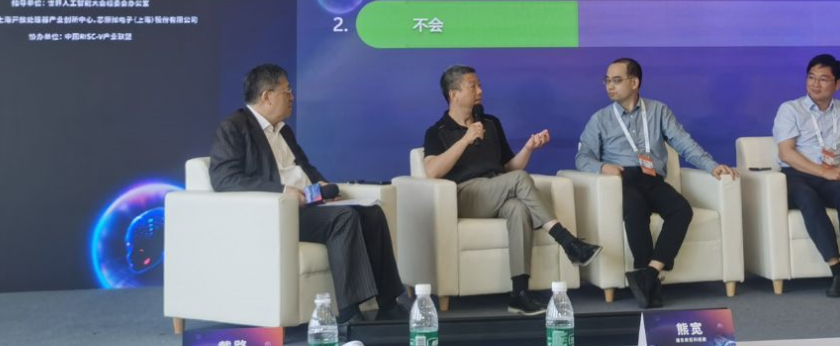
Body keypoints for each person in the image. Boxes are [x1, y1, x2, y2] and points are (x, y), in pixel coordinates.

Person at [210, 64, 405, 326]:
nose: (292, 97)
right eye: (287, 91)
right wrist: (283, 191)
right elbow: (224, 179)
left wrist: (321, 184)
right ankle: (349, 314)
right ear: (267, 96)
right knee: (344, 218)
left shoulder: (283, 130)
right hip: (278, 214)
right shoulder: (234, 127)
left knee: (372, 213)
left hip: (309, 204)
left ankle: (388, 303)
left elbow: (304, 167)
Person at [423, 65, 602, 315]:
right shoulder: (437, 131)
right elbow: (432, 171)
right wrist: (465, 139)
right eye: (473, 86)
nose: (480, 91)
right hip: (466, 196)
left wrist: (528, 148)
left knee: (518, 208)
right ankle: (567, 241)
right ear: (454, 94)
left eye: (480, 85)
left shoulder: (490, 123)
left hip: (498, 188)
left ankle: (519, 294)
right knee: (518, 180)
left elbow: (509, 168)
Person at [575, 58, 736, 309]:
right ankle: (649, 281)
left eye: (616, 80)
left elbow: (683, 142)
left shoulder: (659, 111)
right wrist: (602, 167)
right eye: (606, 81)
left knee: (681, 210)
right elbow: (582, 157)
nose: (609, 86)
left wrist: (711, 166)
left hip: (652, 178)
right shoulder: (600, 119)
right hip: (622, 179)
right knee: (636, 209)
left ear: (634, 82)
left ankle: (649, 274)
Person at [773, 54, 840, 298]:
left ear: (837, 84)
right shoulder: (790, 109)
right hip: (796, 174)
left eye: (823, 79)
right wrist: (825, 172)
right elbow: (786, 153)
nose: (815, 84)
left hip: (832, 174)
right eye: (811, 77)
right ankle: (837, 271)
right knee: (808, 199)